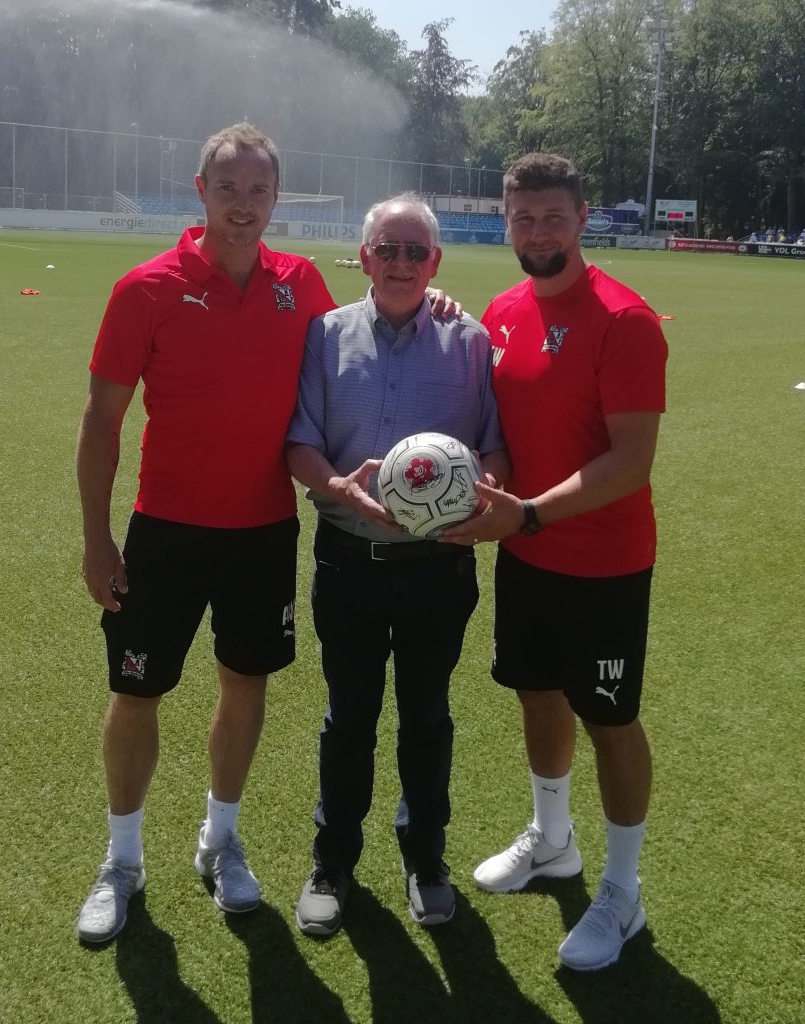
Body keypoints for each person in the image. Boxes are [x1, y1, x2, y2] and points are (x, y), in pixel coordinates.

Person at [75, 123, 458, 945]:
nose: (243, 206)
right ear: (199, 189)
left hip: (262, 534)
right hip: (164, 530)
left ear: (276, 197)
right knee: (137, 691)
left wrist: (435, 303)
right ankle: (122, 862)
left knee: (243, 686)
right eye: (228, 189)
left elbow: (372, 323)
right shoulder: (145, 288)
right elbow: (102, 422)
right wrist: (96, 539)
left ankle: (220, 842)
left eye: (258, 191)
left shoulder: (301, 285)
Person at [442, 153, 668, 972]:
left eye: (552, 217)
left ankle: (623, 889)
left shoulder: (624, 319)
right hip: (527, 553)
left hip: (602, 562)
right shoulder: (501, 311)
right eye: (522, 218)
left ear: (582, 217)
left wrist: (529, 513)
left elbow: (631, 461)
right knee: (536, 696)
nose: (537, 231)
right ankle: (553, 839)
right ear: (506, 221)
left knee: (610, 721)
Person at [286, 194, 508, 936]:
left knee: (427, 717)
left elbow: (494, 450)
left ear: (436, 262)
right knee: (348, 717)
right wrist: (337, 484)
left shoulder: (469, 341)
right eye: (390, 248)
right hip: (347, 560)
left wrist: (481, 502)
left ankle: (426, 860)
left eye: (417, 251)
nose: (404, 262)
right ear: (366, 256)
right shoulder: (324, 335)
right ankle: (333, 862)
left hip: (437, 569)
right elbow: (299, 444)